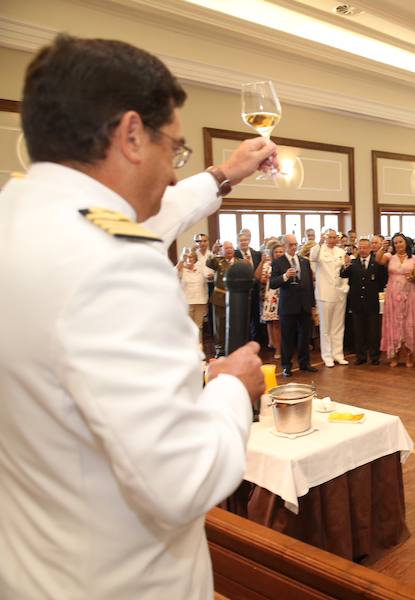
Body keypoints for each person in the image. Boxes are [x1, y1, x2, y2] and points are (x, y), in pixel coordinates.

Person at [0, 34, 275, 599]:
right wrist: (231, 388)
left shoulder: (20, 215)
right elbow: (183, 480)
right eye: (174, 150)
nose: (173, 174)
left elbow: (134, 217)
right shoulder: (118, 266)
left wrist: (223, 175)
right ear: (131, 135)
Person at [270, 234, 318, 376]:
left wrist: (312, 304)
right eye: (290, 245)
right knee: (287, 337)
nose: (293, 247)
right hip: (288, 305)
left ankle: (305, 363)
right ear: (284, 246)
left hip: (304, 304)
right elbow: (273, 283)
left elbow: (309, 284)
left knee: (305, 336)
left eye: (295, 244)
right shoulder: (278, 262)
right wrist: (285, 276)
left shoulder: (304, 261)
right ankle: (287, 365)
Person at [340, 238, 387, 365]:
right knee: (358, 331)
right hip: (357, 303)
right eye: (360, 247)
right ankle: (360, 356)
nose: (362, 250)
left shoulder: (376, 263)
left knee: (373, 332)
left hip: (371, 302)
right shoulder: (353, 263)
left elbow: (383, 280)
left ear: (370, 248)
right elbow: (343, 275)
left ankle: (374, 356)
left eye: (365, 247)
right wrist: (345, 265)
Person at [377, 233, 415, 367]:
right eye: (395, 243)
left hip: (409, 292)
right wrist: (382, 247)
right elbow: (378, 260)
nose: (398, 245)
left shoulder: (414, 258)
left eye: (400, 242)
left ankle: (409, 356)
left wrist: (413, 278)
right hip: (393, 293)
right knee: (393, 323)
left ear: (406, 243)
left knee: (409, 323)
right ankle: (393, 355)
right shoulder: (389, 257)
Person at [309, 229, 350, 367]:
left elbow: (344, 270)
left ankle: (338, 354)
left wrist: (345, 287)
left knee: (338, 326)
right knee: (326, 327)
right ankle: (327, 356)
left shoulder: (341, 252)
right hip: (325, 293)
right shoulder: (319, 250)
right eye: (330, 237)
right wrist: (319, 244)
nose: (332, 240)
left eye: (334, 237)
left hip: (340, 293)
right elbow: (313, 258)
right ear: (325, 238)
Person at [206, 240, 238, 357]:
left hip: (235, 298)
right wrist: (213, 252)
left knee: (235, 323)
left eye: (231, 248)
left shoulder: (240, 262)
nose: (229, 250)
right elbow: (209, 263)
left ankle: (235, 346)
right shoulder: (218, 261)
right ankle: (220, 348)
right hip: (220, 298)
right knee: (220, 325)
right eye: (226, 248)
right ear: (222, 250)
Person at [256, 241, 284, 362]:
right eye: (276, 252)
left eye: (281, 252)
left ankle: (284, 347)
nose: (279, 254)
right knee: (274, 323)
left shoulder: (286, 263)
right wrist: (262, 262)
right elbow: (258, 277)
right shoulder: (268, 264)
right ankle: (277, 348)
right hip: (271, 296)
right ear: (272, 253)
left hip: (284, 295)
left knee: (282, 323)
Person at [177, 247, 209, 348]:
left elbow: (204, 286)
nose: (189, 259)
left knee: (199, 326)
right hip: (186, 303)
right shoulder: (181, 269)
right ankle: (187, 348)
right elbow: (172, 273)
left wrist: (206, 302)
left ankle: (199, 347)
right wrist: (181, 260)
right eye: (187, 257)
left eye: (191, 257)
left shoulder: (200, 268)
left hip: (200, 301)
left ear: (195, 259)